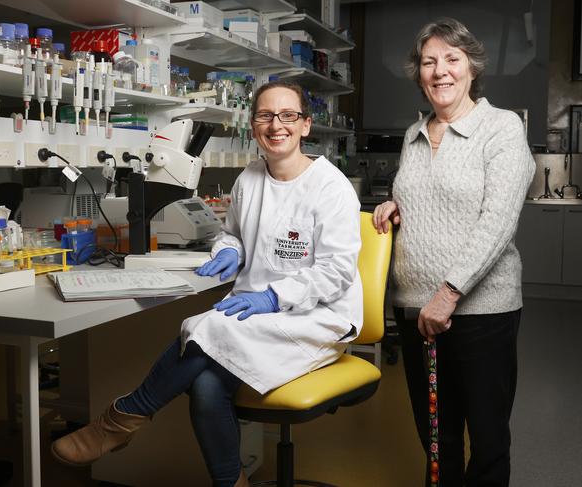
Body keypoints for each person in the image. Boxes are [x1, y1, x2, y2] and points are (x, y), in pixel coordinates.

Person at [51, 81, 363, 487]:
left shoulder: (330, 187)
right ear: (253, 126)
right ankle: (231, 482)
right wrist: (228, 250)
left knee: (204, 328)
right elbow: (231, 232)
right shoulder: (250, 178)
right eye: (265, 116)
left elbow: (336, 271)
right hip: (256, 313)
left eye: (288, 116)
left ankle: (121, 418)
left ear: (305, 125)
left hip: (318, 316)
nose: (276, 125)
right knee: (205, 384)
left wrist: (273, 296)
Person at [373, 17, 535, 487]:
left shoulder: (500, 128)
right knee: (436, 440)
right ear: (418, 73)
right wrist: (395, 206)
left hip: (480, 312)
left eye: (451, 59)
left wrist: (449, 292)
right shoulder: (413, 134)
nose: (439, 71)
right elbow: (428, 198)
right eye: (428, 62)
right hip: (415, 312)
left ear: (471, 67)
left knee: (486, 442)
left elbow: (497, 222)